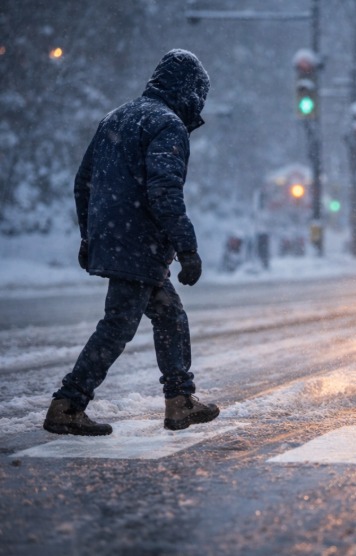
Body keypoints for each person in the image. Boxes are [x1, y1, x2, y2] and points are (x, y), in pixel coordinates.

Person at [43, 49, 219, 436]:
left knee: (169, 314)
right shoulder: (167, 124)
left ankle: (180, 401)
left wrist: (90, 234)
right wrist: (187, 248)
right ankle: (69, 403)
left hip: (117, 237)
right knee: (118, 326)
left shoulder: (117, 117)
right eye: (199, 96)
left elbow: (83, 182)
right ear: (189, 91)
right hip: (141, 243)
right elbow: (164, 191)